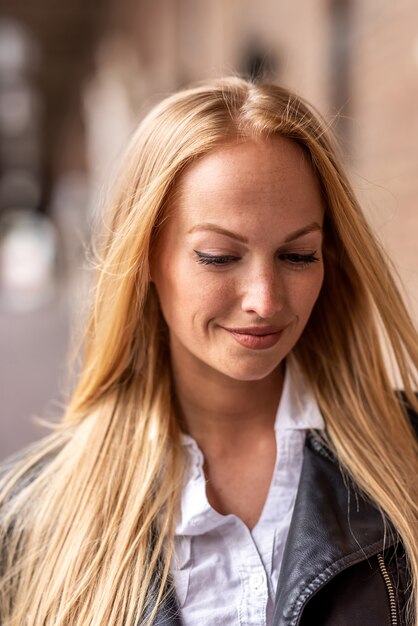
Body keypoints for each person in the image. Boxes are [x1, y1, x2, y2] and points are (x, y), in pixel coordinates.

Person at [0, 77, 417, 626]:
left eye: (297, 255)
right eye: (219, 257)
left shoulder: (406, 454)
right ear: (145, 256)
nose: (264, 301)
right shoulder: (30, 513)